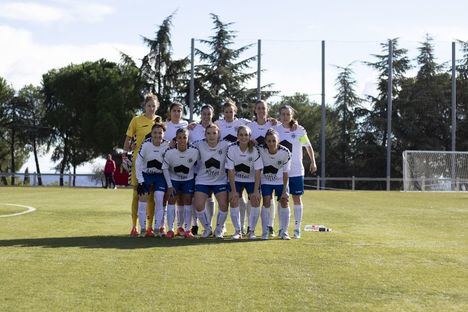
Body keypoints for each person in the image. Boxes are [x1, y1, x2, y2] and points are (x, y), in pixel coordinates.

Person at [275, 105, 317, 239]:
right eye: (283, 114)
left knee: (297, 198)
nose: (286, 117)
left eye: (288, 114)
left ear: (291, 116)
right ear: (280, 116)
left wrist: (313, 161)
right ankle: (283, 229)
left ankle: (297, 228)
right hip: (281, 172)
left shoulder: (299, 130)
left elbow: (308, 146)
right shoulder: (275, 130)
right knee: (283, 200)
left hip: (297, 171)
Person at [123, 93, 161, 237]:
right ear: (144, 106)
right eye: (149, 105)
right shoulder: (136, 120)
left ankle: (149, 227)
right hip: (138, 162)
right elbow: (128, 139)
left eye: (153, 106)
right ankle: (134, 226)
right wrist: (124, 155)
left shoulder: (159, 120)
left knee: (151, 196)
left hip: (154, 164)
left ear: (157, 106)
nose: (151, 108)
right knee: (137, 195)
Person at [216, 100, 251, 234]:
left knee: (239, 196)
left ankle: (242, 226)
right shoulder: (218, 123)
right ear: (223, 113)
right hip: (222, 164)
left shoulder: (242, 122)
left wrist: (270, 120)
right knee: (225, 197)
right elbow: (207, 128)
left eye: (231, 111)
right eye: (226, 112)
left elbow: (257, 123)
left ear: (235, 111)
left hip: (239, 164)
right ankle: (221, 226)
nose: (229, 114)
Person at [192, 123, 230, 238]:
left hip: (220, 180)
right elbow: (185, 146)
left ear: (219, 135)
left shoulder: (226, 145)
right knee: (198, 205)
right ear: (205, 134)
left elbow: (241, 145)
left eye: (214, 133)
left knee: (223, 205)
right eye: (208, 133)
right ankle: (207, 228)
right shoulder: (198, 145)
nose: (211, 136)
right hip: (203, 180)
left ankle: (219, 229)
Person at [226, 125, 263, 239]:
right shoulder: (232, 148)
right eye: (241, 135)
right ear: (237, 136)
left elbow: (258, 172)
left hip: (251, 180)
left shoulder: (255, 150)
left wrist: (256, 191)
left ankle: (251, 231)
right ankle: (238, 231)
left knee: (256, 200)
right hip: (236, 179)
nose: (243, 137)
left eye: (246, 135)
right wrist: (233, 191)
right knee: (233, 199)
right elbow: (230, 170)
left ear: (250, 136)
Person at [162, 128, 199, 239]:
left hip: (188, 180)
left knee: (187, 201)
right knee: (172, 200)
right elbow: (164, 168)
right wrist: (169, 186)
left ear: (188, 139)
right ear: (176, 139)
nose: (182, 140)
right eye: (180, 137)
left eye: (185, 137)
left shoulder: (194, 151)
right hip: (174, 180)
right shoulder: (170, 152)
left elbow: (200, 164)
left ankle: (187, 230)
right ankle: (170, 230)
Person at [135, 123, 170, 237]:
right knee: (143, 198)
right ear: (151, 133)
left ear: (163, 134)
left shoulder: (167, 145)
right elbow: (138, 163)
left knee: (159, 199)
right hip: (146, 175)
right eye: (155, 132)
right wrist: (141, 181)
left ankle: (157, 229)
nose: (157, 135)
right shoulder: (146, 145)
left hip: (160, 176)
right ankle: (143, 229)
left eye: (160, 133)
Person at [259, 129, 291, 240]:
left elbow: (286, 173)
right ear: (265, 141)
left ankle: (284, 231)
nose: (271, 143)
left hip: (280, 181)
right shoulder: (261, 150)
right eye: (269, 141)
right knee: (266, 201)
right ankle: (265, 231)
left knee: (284, 201)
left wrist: (284, 191)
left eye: (273, 140)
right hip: (266, 181)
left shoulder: (285, 152)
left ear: (278, 140)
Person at [188, 104, 217, 231]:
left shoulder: (216, 129)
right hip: (195, 168)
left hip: (211, 168)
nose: (206, 116)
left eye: (208, 114)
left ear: (212, 115)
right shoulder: (193, 128)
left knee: (210, 197)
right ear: (200, 115)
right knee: (195, 197)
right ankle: (195, 224)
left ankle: (209, 224)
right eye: (204, 114)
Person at [164, 102, 190, 234]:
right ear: (170, 112)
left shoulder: (187, 125)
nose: (177, 113)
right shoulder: (165, 126)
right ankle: (167, 227)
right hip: (168, 165)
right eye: (174, 110)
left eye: (179, 110)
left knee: (182, 198)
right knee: (169, 197)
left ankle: (181, 227)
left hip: (184, 166)